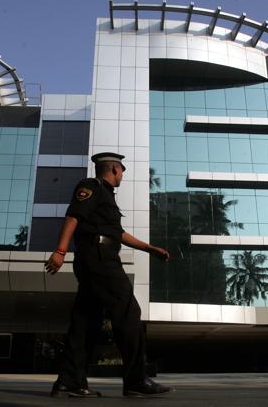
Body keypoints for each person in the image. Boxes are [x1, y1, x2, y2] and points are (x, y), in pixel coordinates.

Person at [45, 152, 174, 398]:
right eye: (122, 171)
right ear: (114, 169)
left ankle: (70, 381)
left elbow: (118, 233)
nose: (123, 176)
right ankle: (136, 381)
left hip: (96, 258)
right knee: (128, 312)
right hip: (100, 258)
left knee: (86, 320)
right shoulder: (90, 187)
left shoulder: (107, 198)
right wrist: (60, 251)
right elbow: (73, 216)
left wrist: (149, 248)